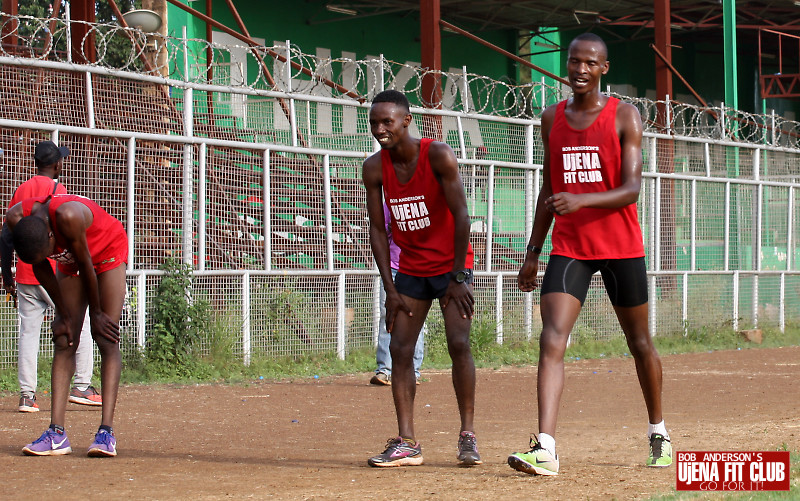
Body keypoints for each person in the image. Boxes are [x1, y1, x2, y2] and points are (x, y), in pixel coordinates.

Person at [507, 33, 671, 477]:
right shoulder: (551, 118)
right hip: (570, 247)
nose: (579, 69)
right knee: (551, 337)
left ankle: (658, 430)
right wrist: (533, 251)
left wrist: (581, 200)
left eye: (589, 63)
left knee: (639, 343)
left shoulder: (625, 116)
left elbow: (631, 189)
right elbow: (549, 185)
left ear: (604, 68)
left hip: (620, 247)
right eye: (573, 61)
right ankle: (545, 446)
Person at [362, 89, 480, 467]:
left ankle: (467, 435)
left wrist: (460, 276)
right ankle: (407, 441)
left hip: (451, 267)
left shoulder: (438, 155)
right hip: (411, 269)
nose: (380, 129)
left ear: (406, 121)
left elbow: (462, 216)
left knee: (458, 343)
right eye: (374, 122)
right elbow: (379, 230)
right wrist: (390, 288)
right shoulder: (374, 167)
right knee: (399, 350)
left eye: (387, 121)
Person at [4, 192, 128, 457]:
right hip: (73, 260)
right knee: (64, 337)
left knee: (105, 336)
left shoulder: (68, 216)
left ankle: (106, 432)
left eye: (49, 252)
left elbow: (86, 263)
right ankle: (56, 433)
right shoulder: (17, 220)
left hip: (105, 252)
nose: (49, 256)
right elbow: (40, 265)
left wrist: (96, 313)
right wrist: (62, 314)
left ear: (51, 236)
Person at [1, 141, 102, 413]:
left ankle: (26, 395)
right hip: (53, 272)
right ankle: (81, 385)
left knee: (28, 333)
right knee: (75, 321)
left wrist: (6, 274)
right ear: (56, 164)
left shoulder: (21, 190)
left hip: (25, 270)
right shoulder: (58, 190)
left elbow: (7, 235)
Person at [371, 202, 425, 386]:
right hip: (394, 266)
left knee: (416, 319)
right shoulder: (390, 203)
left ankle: (413, 371)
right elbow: (380, 232)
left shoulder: (425, 200)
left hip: (418, 267)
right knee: (388, 316)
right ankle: (385, 370)